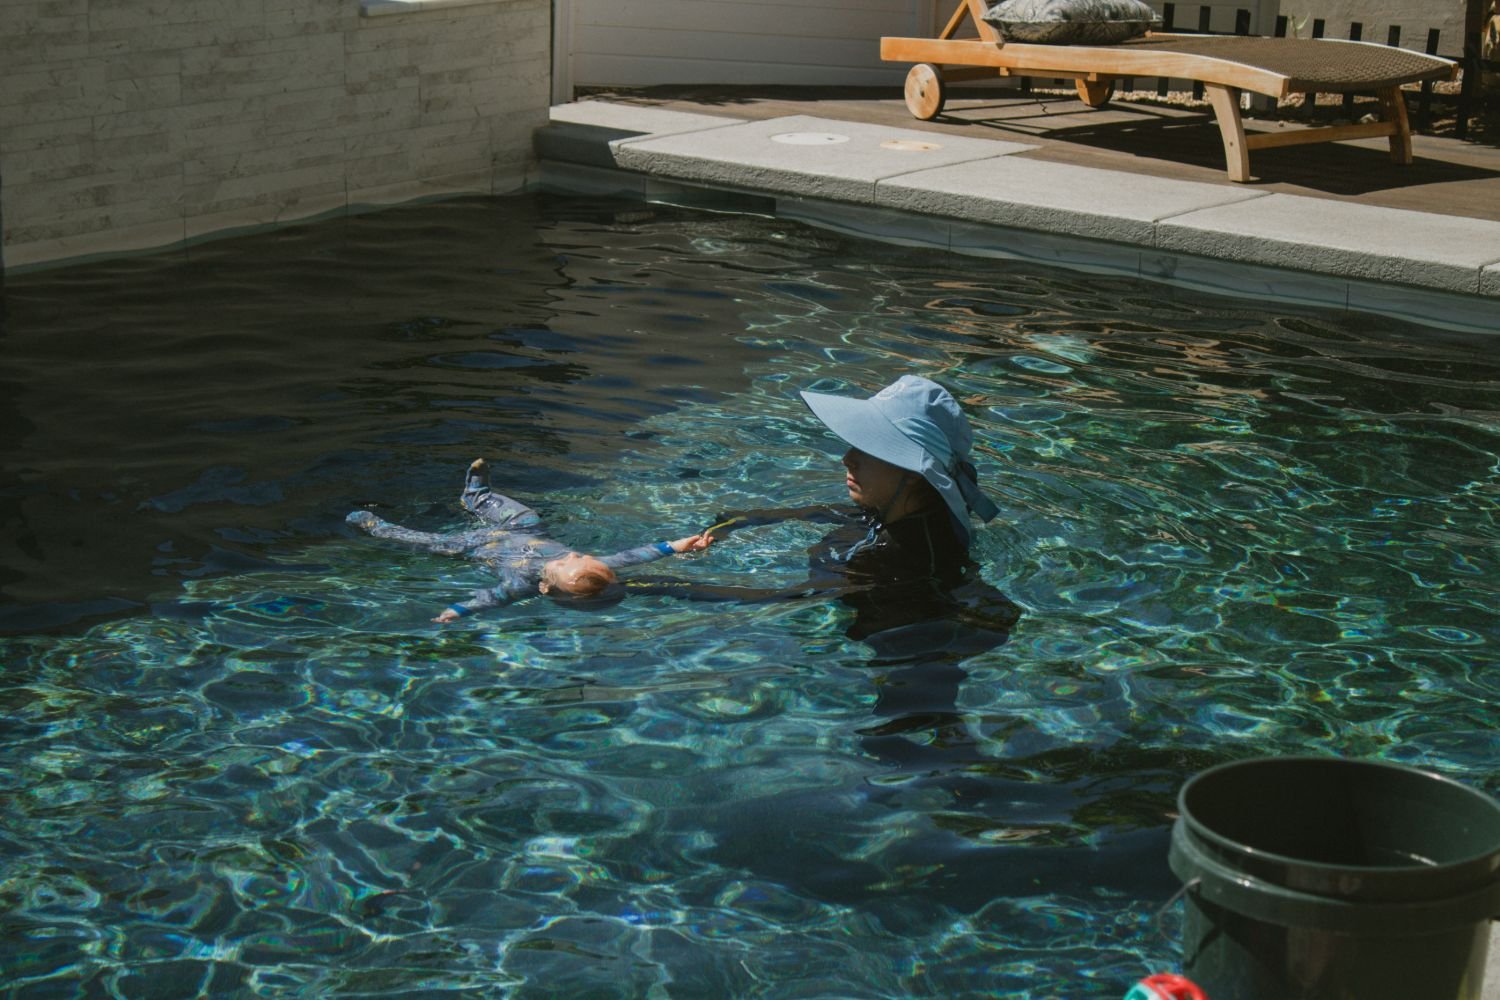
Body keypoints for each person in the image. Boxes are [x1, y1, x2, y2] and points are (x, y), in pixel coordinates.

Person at [347, 458, 714, 623]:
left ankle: (376, 527)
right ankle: (477, 497)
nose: (578, 553)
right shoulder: (599, 568)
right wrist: (679, 545)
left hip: (476, 546)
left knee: (425, 541)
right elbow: (637, 554)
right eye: (581, 555)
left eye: (569, 560)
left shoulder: (520, 583)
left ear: (543, 587)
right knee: (529, 517)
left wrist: (456, 611)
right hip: (525, 533)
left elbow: (489, 600)